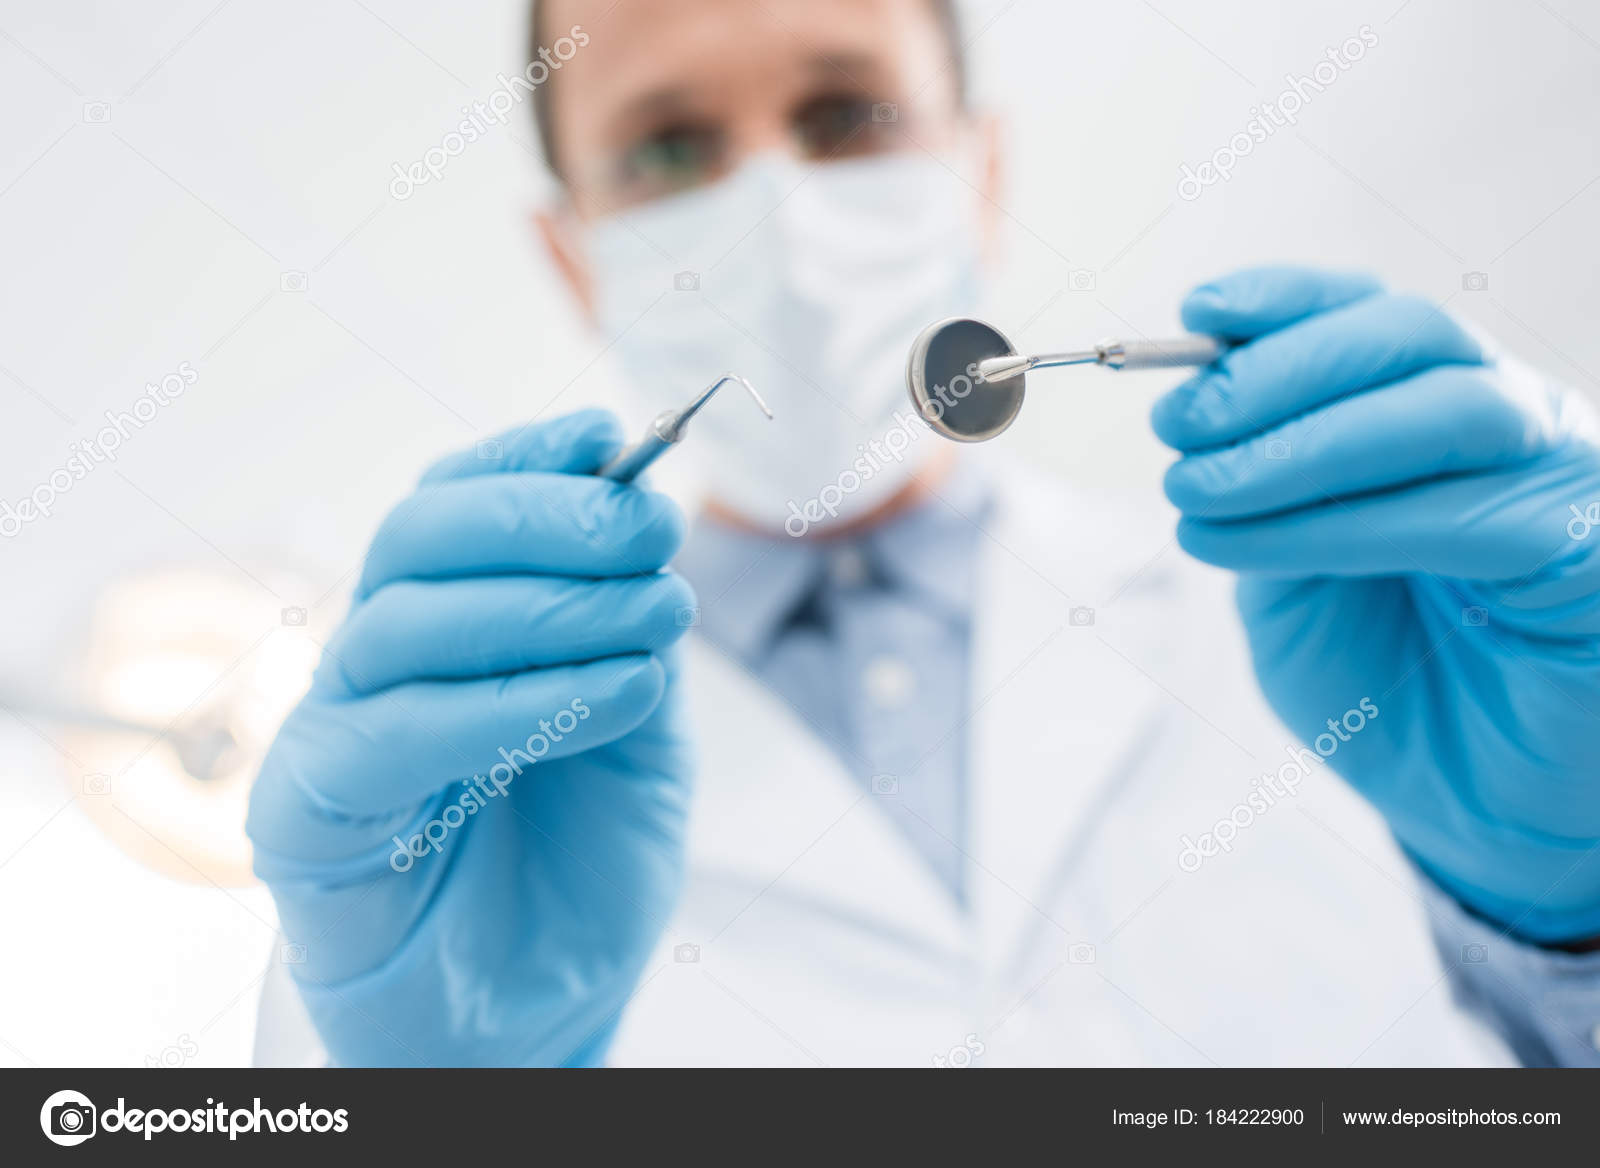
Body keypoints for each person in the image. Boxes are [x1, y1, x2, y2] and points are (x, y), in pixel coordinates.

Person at [246, 0, 1600, 1067]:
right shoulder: (476, 793)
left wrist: (1570, 911)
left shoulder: (1334, 627)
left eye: (846, 115)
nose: (779, 222)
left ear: (980, 173)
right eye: (666, 149)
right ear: (571, 256)